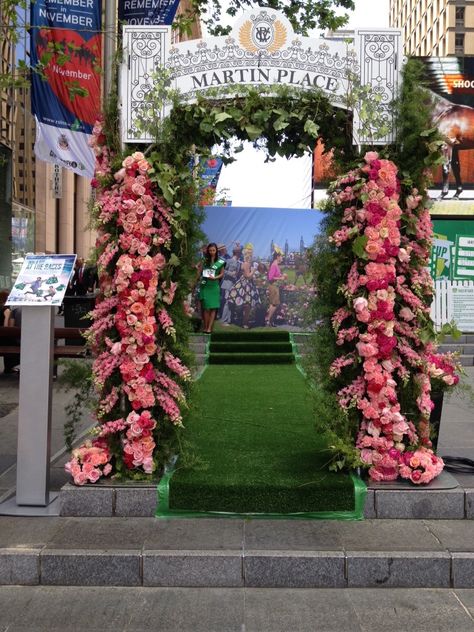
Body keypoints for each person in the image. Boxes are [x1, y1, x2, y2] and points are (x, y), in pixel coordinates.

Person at [226, 244, 261, 329]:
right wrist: (254, 270)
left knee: (247, 305)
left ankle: (244, 321)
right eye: (250, 254)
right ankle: (243, 322)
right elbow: (247, 276)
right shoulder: (246, 264)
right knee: (246, 304)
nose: (251, 256)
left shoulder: (248, 263)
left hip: (248, 284)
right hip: (245, 286)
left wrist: (254, 273)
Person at [195, 243, 226, 334]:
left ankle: (209, 328)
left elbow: (222, 273)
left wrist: (215, 277)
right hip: (205, 285)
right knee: (205, 307)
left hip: (214, 286)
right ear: (208, 251)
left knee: (213, 308)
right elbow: (199, 272)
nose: (212, 252)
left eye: (213, 250)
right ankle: (205, 326)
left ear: (216, 251)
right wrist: (196, 280)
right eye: (210, 250)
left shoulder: (220, 262)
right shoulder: (204, 260)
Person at [220, 246, 242, 324]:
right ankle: (224, 320)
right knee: (227, 302)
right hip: (227, 284)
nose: (241, 253)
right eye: (240, 252)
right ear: (236, 252)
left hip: (234, 284)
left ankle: (229, 319)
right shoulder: (228, 261)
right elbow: (223, 271)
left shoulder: (239, 263)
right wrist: (231, 273)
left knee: (231, 302)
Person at [265, 251, 287, 327]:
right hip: (273, 286)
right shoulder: (274, 265)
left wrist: (281, 275)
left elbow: (275, 275)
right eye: (281, 256)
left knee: (274, 304)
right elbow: (270, 278)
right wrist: (281, 278)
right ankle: (268, 319)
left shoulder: (276, 265)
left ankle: (270, 321)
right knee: (274, 304)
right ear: (277, 257)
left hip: (275, 286)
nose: (282, 258)